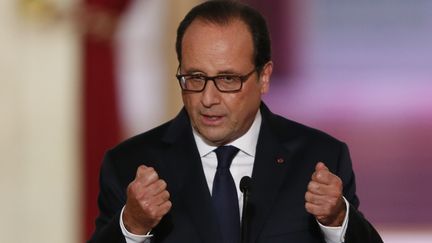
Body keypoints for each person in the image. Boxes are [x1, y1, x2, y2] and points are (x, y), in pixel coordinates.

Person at [88, 1, 383, 243]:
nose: (208, 98)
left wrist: (338, 222)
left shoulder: (320, 158)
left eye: (228, 79)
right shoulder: (129, 164)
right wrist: (132, 227)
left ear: (263, 77)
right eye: (195, 78)